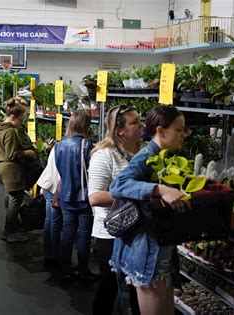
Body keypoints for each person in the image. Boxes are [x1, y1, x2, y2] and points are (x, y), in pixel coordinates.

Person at [110, 105, 190, 314]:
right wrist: (159, 189)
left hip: (160, 251)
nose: (184, 135)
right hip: (146, 253)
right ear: (161, 131)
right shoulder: (147, 155)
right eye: (179, 130)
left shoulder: (166, 157)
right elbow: (117, 186)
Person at [88, 105, 142, 315]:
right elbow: (95, 197)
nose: (140, 125)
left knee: (140, 287)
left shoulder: (143, 152)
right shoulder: (104, 155)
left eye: (139, 120)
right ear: (119, 130)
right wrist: (139, 192)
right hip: (111, 234)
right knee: (110, 286)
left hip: (139, 230)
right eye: (134, 122)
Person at [54, 110, 97, 282]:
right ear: (86, 125)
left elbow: (59, 170)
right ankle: (83, 270)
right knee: (84, 236)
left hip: (65, 195)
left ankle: (65, 269)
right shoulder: (87, 146)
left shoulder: (59, 145)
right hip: (84, 197)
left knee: (67, 234)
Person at [0, 97, 35, 243]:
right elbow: (12, 154)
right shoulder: (10, 131)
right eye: (21, 118)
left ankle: (11, 228)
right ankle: (10, 231)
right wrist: (27, 153)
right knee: (15, 199)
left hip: (1, 167)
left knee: (10, 196)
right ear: (13, 117)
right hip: (11, 169)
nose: (21, 121)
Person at [36, 145, 61, 269]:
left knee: (49, 222)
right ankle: (56, 256)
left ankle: (48, 255)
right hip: (55, 189)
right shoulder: (72, 148)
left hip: (48, 185)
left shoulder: (58, 146)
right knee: (55, 224)